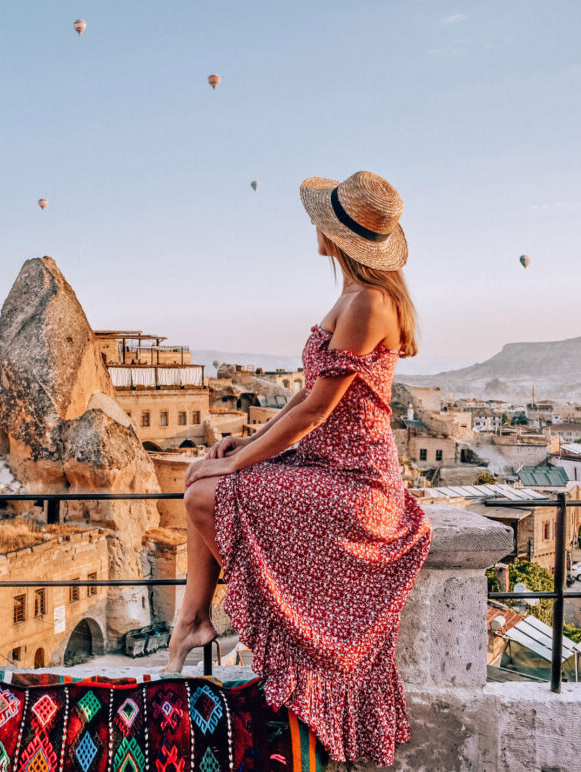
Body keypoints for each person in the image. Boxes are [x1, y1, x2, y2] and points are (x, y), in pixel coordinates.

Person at [164, 171, 433, 766]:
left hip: (356, 482)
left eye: (323, 221)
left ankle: (194, 622)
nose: (315, 227)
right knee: (198, 478)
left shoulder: (367, 302)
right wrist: (245, 441)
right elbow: (303, 396)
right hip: (326, 464)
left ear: (339, 235)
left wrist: (241, 463)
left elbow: (316, 411)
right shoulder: (353, 297)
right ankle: (194, 620)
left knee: (206, 495)